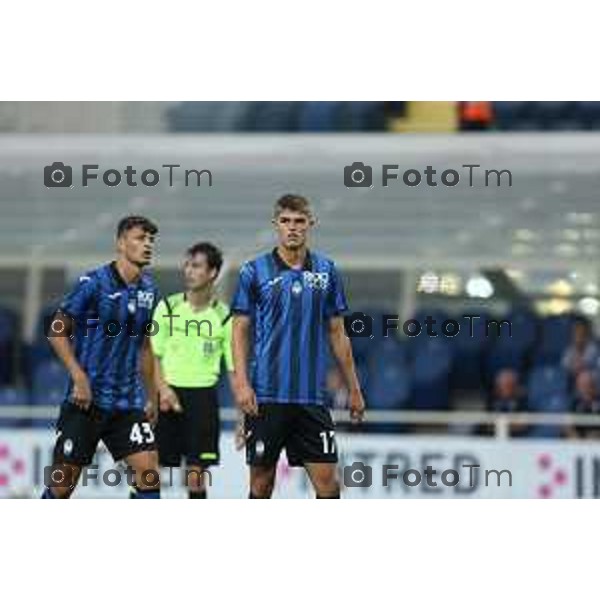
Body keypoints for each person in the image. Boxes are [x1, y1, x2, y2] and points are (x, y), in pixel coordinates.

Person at [231, 193, 365, 499]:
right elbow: (239, 330)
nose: (292, 228)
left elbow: (338, 333)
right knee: (261, 485)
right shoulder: (254, 271)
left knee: (329, 485)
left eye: (299, 221)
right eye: (286, 221)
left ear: (310, 224)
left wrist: (354, 388)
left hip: (311, 398)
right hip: (266, 396)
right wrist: (241, 383)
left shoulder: (327, 271)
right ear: (276, 224)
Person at [41, 216, 161, 499]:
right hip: (87, 402)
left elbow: (145, 346)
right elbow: (56, 331)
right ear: (121, 243)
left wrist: (152, 395)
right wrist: (78, 376)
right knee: (62, 484)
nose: (147, 245)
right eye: (140, 238)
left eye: (151, 240)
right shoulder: (93, 283)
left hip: (127, 403)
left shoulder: (150, 291)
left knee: (149, 475)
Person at [152, 242, 234, 499]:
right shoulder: (166, 307)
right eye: (187, 265)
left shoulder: (224, 317)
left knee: (196, 477)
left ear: (212, 273)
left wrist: (245, 417)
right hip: (167, 396)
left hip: (203, 400)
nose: (188, 271)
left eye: (196, 265)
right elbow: (153, 356)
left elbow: (234, 369)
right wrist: (163, 390)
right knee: (149, 471)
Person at [566, 370, 600, 439]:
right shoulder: (574, 403)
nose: (585, 387)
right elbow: (567, 424)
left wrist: (597, 435)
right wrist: (576, 437)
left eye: (587, 384)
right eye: (582, 384)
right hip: (578, 443)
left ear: (593, 385)